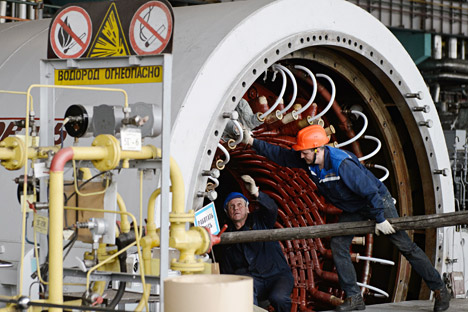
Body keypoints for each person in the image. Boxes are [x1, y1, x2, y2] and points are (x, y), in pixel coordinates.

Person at [242, 124, 450, 312]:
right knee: (339, 245)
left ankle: (440, 290)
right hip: (354, 207)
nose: (301, 156)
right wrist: (252, 142)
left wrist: (380, 218)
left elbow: (370, 192)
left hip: (376, 202)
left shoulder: (342, 165)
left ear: (317, 149)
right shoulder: (310, 160)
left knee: (406, 247)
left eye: (304, 152)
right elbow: (281, 155)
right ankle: (354, 297)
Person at [219, 175, 294, 312]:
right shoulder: (226, 236)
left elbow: (272, 209)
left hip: (277, 275)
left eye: (240, 204)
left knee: (279, 298)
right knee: (244, 289)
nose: (236, 208)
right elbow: (226, 269)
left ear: (248, 208)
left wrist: (255, 192)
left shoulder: (261, 219)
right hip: (252, 279)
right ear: (227, 213)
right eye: (232, 206)